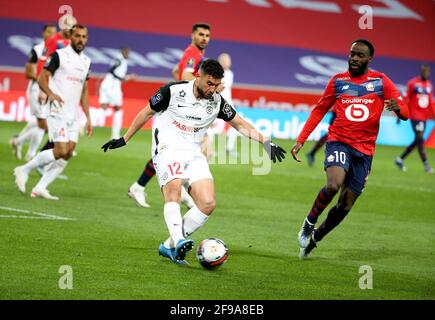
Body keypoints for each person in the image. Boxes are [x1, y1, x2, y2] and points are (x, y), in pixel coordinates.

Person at [102, 59, 286, 264]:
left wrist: (266, 142)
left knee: (208, 203)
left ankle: (168, 246)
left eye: (216, 85)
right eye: (209, 83)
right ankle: (179, 240)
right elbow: (146, 112)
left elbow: (239, 123)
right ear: (198, 75)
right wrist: (124, 139)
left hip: (193, 152)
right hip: (167, 148)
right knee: (173, 189)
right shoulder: (172, 91)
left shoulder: (217, 101)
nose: (212, 89)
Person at [290, 39, 408, 259]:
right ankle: (309, 222)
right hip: (339, 141)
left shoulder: (381, 81)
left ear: (369, 59)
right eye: (352, 53)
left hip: (364, 152)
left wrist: (398, 108)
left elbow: (406, 111)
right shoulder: (338, 81)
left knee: (345, 205)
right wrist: (301, 139)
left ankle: (314, 240)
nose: (354, 58)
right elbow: (319, 110)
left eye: (360, 55)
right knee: (333, 185)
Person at [127, 23, 211, 208]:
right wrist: (203, 88)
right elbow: (187, 74)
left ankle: (142, 186)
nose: (204, 38)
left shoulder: (193, 54)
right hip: (183, 111)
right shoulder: (193, 54)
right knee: (200, 151)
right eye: (201, 34)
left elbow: (177, 72)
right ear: (192, 35)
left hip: (183, 108)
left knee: (174, 151)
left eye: (207, 35)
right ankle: (180, 189)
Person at [13, 24, 92, 200]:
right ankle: (24, 169)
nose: (80, 40)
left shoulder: (86, 61)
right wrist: (50, 93)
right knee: (61, 149)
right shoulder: (59, 56)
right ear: (71, 37)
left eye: (84, 37)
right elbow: (42, 77)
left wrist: (88, 117)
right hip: (57, 110)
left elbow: (84, 90)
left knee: (69, 152)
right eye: (77, 36)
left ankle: (40, 187)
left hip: (73, 113)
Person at [10, 24, 57, 161]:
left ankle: (18, 142)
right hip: (37, 89)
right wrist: (42, 83)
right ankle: (30, 154)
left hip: (48, 89)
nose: (51, 35)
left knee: (40, 123)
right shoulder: (37, 50)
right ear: (43, 33)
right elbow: (28, 72)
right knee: (43, 125)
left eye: (54, 33)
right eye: (49, 32)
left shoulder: (56, 51)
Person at [395, 65, 434, 173]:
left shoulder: (429, 85)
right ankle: (426, 165)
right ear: (421, 72)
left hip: (424, 117)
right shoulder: (413, 83)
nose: (426, 74)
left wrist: (433, 114)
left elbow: (430, 102)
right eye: (424, 72)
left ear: (429, 73)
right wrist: (400, 113)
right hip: (415, 115)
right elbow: (405, 98)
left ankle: (400, 159)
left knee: (418, 140)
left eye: (427, 72)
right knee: (420, 138)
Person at [99, 47, 133, 139]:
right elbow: (111, 70)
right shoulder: (119, 60)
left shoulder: (120, 60)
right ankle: (115, 135)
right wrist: (123, 78)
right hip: (112, 87)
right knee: (118, 109)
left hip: (107, 84)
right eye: (126, 52)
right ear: (122, 52)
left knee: (104, 108)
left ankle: (83, 123)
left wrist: (126, 78)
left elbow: (114, 72)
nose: (128, 54)